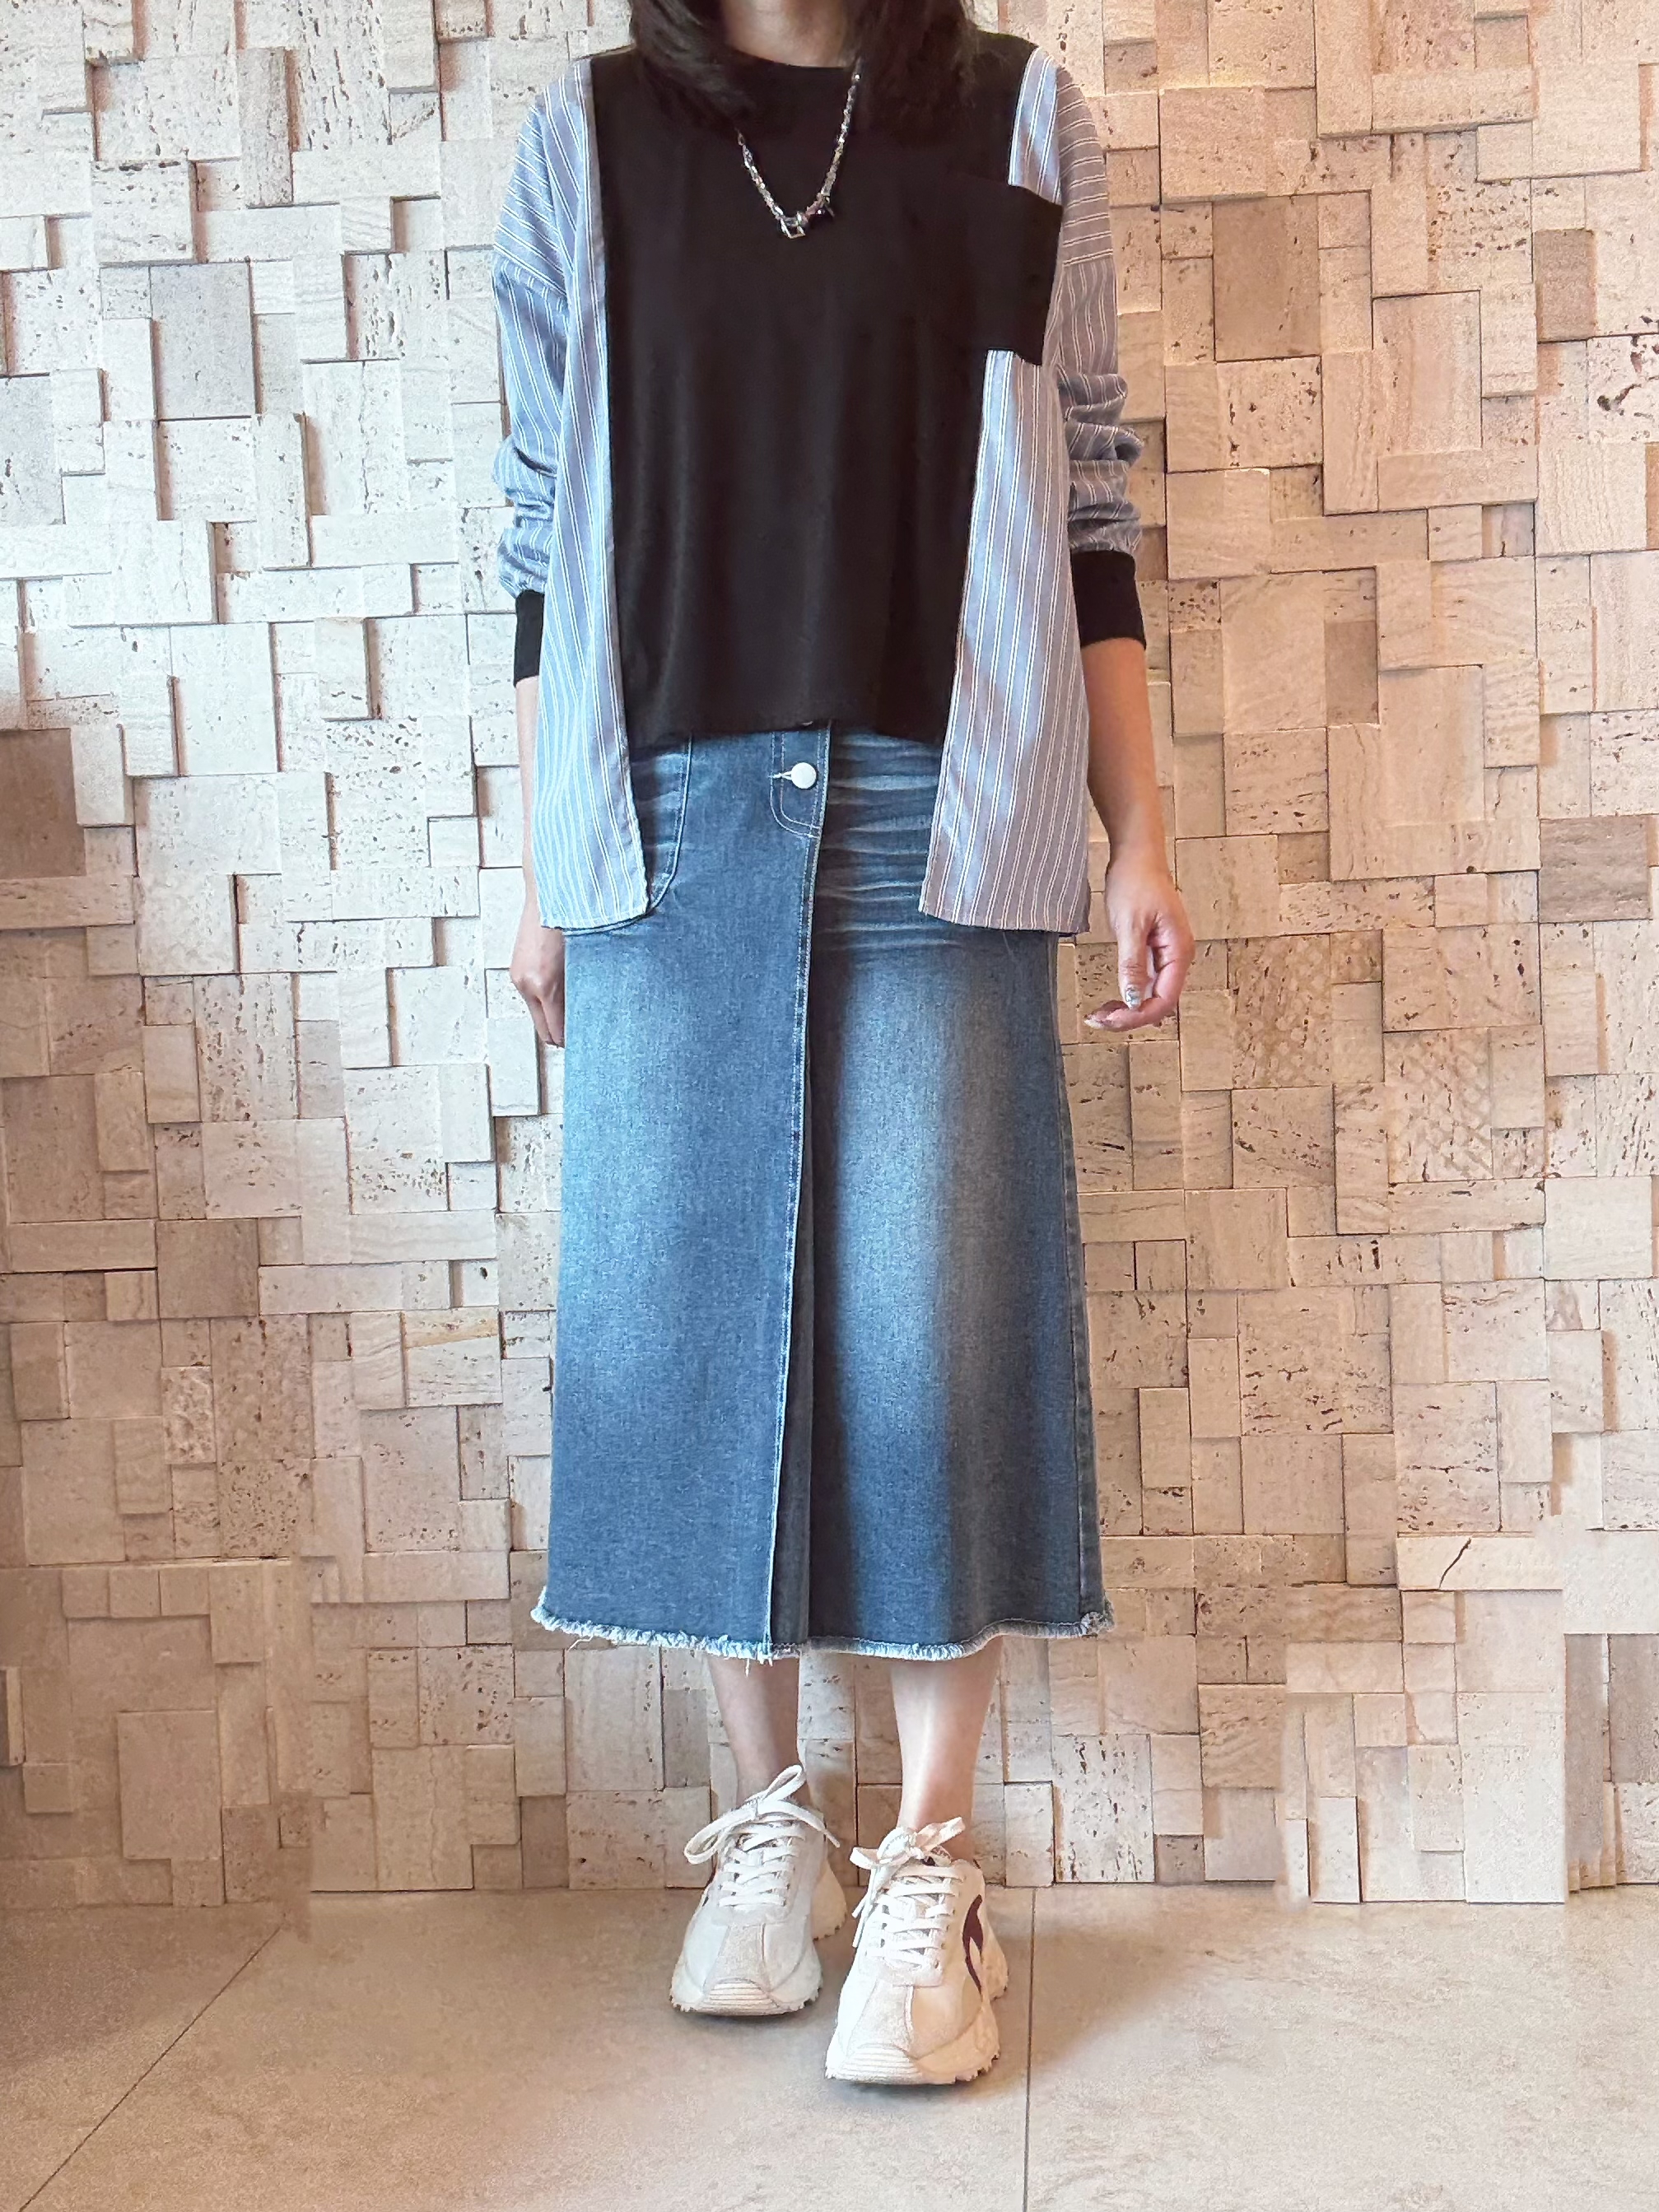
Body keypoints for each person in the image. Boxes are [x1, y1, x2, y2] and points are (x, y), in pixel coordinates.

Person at [492, 0, 1192, 2088]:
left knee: (921, 1339)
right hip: (664, 816)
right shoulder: (589, 141)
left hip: (940, 801)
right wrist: (539, 870)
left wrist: (1140, 835)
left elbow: (1089, 506)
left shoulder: (1013, 118)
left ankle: (932, 1868)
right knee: (709, 1336)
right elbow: (536, 535)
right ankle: (772, 1831)